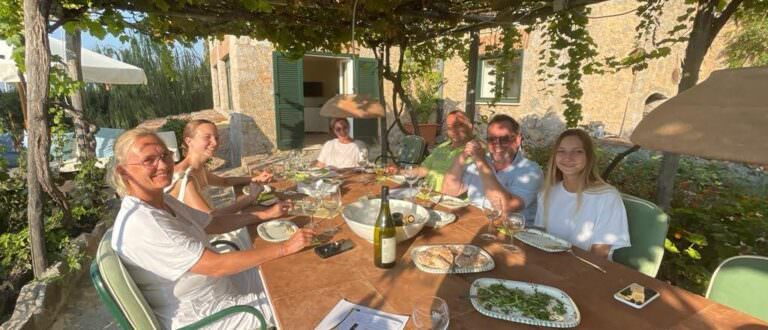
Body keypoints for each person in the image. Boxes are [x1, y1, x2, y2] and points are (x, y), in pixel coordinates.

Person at [108, 128, 314, 329]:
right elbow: (216, 266)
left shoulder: (162, 201)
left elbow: (212, 223)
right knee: (298, 299)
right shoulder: (145, 223)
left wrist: (265, 215)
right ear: (123, 172)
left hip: (219, 288)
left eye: (165, 155)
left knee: (292, 272)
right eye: (148, 160)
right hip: (206, 316)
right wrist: (285, 248)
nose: (162, 164)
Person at [534, 129, 630, 259]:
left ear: (588, 157)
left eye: (578, 151)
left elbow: (599, 255)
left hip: (588, 270)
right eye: (561, 151)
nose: (568, 157)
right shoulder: (547, 194)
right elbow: (540, 239)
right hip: (550, 266)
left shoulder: (607, 197)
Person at [442, 114, 543, 224]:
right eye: (492, 139)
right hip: (475, 226)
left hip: (510, 234)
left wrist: (481, 162)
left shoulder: (530, 171)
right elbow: (448, 191)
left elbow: (504, 206)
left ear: (518, 140)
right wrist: (463, 156)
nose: (497, 144)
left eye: (504, 139)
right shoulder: (483, 161)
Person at [166, 119, 272, 217]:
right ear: (189, 141)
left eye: (216, 137)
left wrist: (255, 178)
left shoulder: (198, 168)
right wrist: (250, 198)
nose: (215, 143)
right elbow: (211, 217)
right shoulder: (183, 177)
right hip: (202, 233)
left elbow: (224, 182)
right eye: (207, 137)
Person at [394, 110, 474, 192]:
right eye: (449, 127)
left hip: (451, 200)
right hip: (427, 193)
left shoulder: (475, 151)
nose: (453, 130)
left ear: (470, 126)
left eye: (458, 125)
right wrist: (399, 172)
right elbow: (423, 170)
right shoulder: (443, 147)